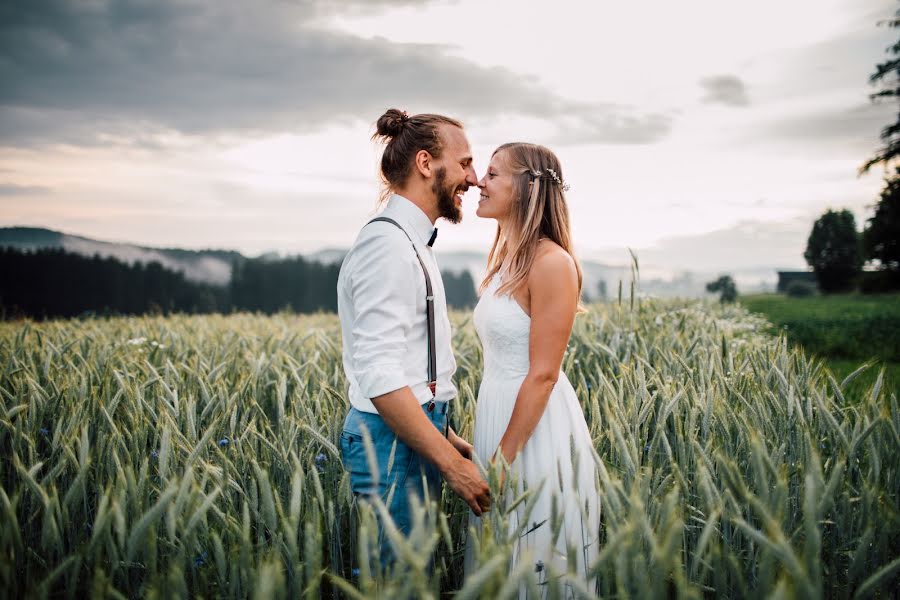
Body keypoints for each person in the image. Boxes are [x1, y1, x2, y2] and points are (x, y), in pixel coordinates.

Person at [337, 109, 491, 567]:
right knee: (398, 583)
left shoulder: (410, 241)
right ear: (426, 164)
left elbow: (407, 364)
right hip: (390, 445)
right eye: (464, 163)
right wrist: (450, 463)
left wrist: (444, 431)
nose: (475, 177)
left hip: (410, 435)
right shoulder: (387, 247)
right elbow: (381, 375)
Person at [465, 142, 600, 594]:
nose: (479, 182)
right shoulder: (506, 262)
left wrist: (503, 460)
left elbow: (543, 374)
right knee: (501, 567)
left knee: (536, 564)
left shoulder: (552, 263)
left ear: (525, 188)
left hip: (532, 436)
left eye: (493, 173)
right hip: (499, 419)